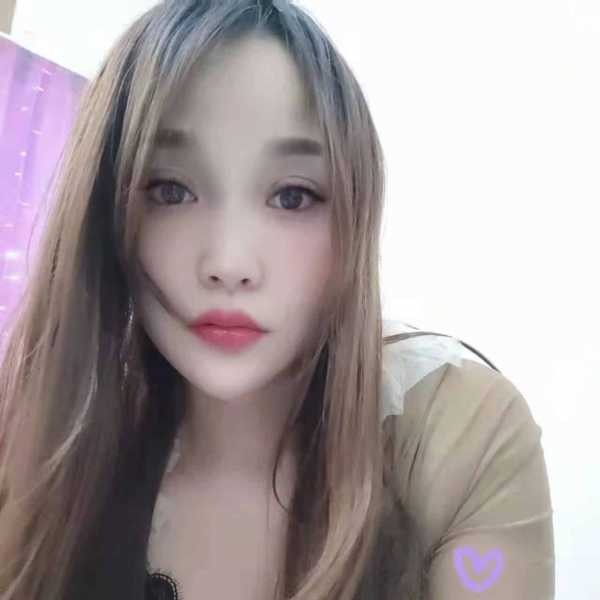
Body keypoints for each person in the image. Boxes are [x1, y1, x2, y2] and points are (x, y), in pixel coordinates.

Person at [0, 1, 554, 599]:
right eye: (171, 190)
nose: (229, 264)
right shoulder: (43, 439)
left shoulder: (453, 430)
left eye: (292, 196)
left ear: (353, 215)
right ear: (106, 210)